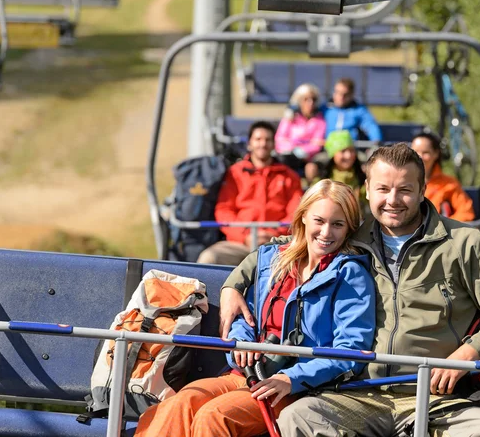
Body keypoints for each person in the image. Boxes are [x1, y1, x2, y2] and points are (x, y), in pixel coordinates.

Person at [219, 143, 480, 437]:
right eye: (383, 188)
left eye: (405, 190)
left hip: (433, 397)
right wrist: (233, 285)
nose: (393, 200)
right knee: (297, 418)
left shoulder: (463, 243)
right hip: (355, 392)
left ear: (423, 190)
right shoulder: (352, 233)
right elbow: (287, 245)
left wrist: (468, 353)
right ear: (368, 189)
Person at [134, 180, 376, 437]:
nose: (326, 233)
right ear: (303, 217)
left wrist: (290, 379)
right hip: (246, 374)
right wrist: (241, 344)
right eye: (319, 220)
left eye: (337, 224)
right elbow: (246, 317)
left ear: (349, 227)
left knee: (214, 417)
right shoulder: (274, 260)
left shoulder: (350, 275)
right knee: (178, 405)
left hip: (297, 386)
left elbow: (350, 350)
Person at [197, 121, 303, 266]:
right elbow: (224, 210)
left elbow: (296, 213)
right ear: (250, 144)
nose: (263, 144)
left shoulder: (289, 176)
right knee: (209, 258)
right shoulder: (235, 173)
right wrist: (245, 235)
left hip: (278, 245)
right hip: (240, 244)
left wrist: (274, 234)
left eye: (267, 140)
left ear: (273, 144)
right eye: (258, 139)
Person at [411, 131, 475, 222]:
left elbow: (466, 212)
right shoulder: (399, 180)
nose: (420, 157)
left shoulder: (448, 184)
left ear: (436, 154)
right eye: (415, 152)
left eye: (425, 152)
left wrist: (443, 226)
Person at [308, 130, 367, 212]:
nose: (348, 155)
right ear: (333, 154)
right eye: (343, 151)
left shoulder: (362, 177)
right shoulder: (321, 180)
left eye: (351, 150)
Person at [275, 83, 326, 178]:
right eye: (306, 99)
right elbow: (280, 139)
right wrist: (292, 149)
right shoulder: (289, 118)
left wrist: (302, 150)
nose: (310, 103)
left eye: (313, 99)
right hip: (288, 156)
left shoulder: (320, 121)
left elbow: (317, 144)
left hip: (307, 159)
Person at [324, 78, 382, 143]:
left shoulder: (359, 110)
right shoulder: (325, 109)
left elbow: (370, 126)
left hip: (351, 149)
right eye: (337, 92)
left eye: (345, 95)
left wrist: (376, 140)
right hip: (327, 148)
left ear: (351, 95)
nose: (341, 97)